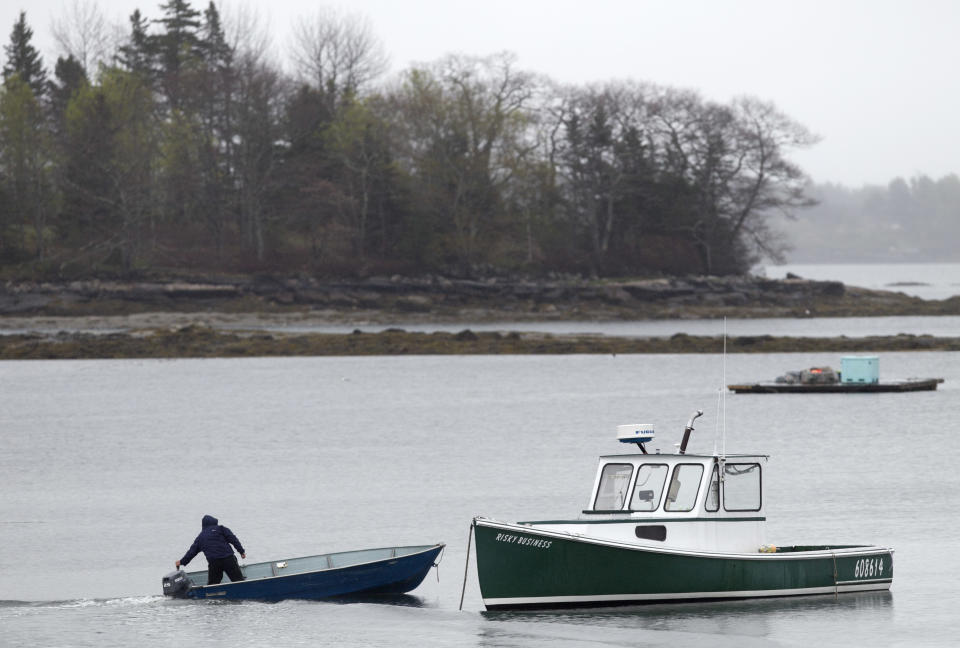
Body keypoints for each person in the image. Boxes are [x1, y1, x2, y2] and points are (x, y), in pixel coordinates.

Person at [176, 514, 247, 585]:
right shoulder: (221, 529)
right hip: (228, 559)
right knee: (239, 581)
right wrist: (241, 552)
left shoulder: (200, 537)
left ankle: (211, 594)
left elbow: (191, 552)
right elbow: (234, 540)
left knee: (213, 585)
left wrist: (182, 561)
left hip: (214, 563)